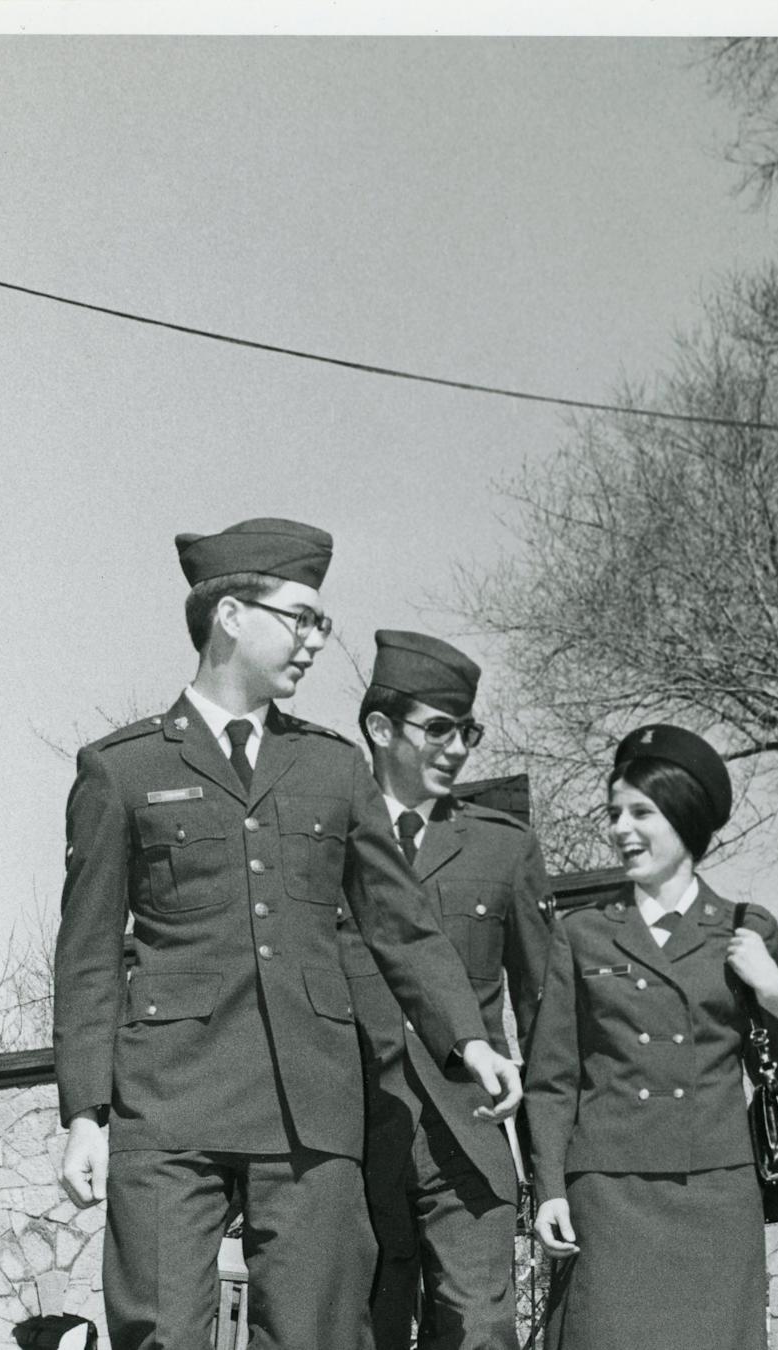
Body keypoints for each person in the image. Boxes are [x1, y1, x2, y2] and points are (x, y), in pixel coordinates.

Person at [52, 518, 520, 1350]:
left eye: (321, 622)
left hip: (313, 1102)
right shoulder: (122, 769)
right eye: (301, 618)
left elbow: (400, 922)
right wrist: (86, 1112)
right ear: (232, 616)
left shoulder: (332, 767)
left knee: (319, 1334)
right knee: (160, 1334)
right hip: (170, 1100)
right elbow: (87, 954)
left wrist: (469, 1039)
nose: (316, 641)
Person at [523, 724, 778, 1350]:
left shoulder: (747, 929)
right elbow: (552, 1080)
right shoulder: (582, 934)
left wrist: (776, 997)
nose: (622, 829)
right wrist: (550, 1190)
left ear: (686, 816)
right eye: (615, 813)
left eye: (641, 812)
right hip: (609, 1194)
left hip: (715, 1194)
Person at [345, 630, 556, 1350]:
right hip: (350, 1140)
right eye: (440, 728)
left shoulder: (504, 847)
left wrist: (551, 1174)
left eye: (468, 731)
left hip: (466, 1135)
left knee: (481, 1333)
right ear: (381, 728)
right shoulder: (323, 841)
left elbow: (544, 1019)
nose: (458, 748)